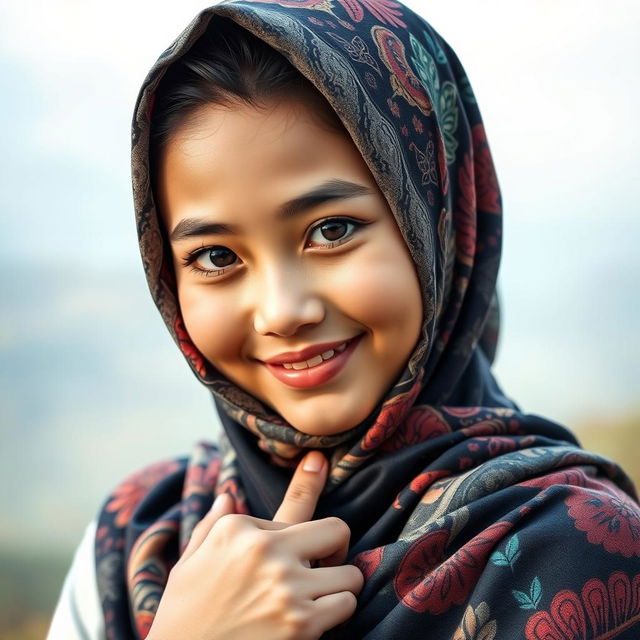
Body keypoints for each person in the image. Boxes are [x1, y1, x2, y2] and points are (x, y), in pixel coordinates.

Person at [48, 1, 640, 638]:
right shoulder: (135, 541)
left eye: (331, 231)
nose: (283, 311)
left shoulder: (580, 550)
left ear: (435, 223)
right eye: (216, 256)